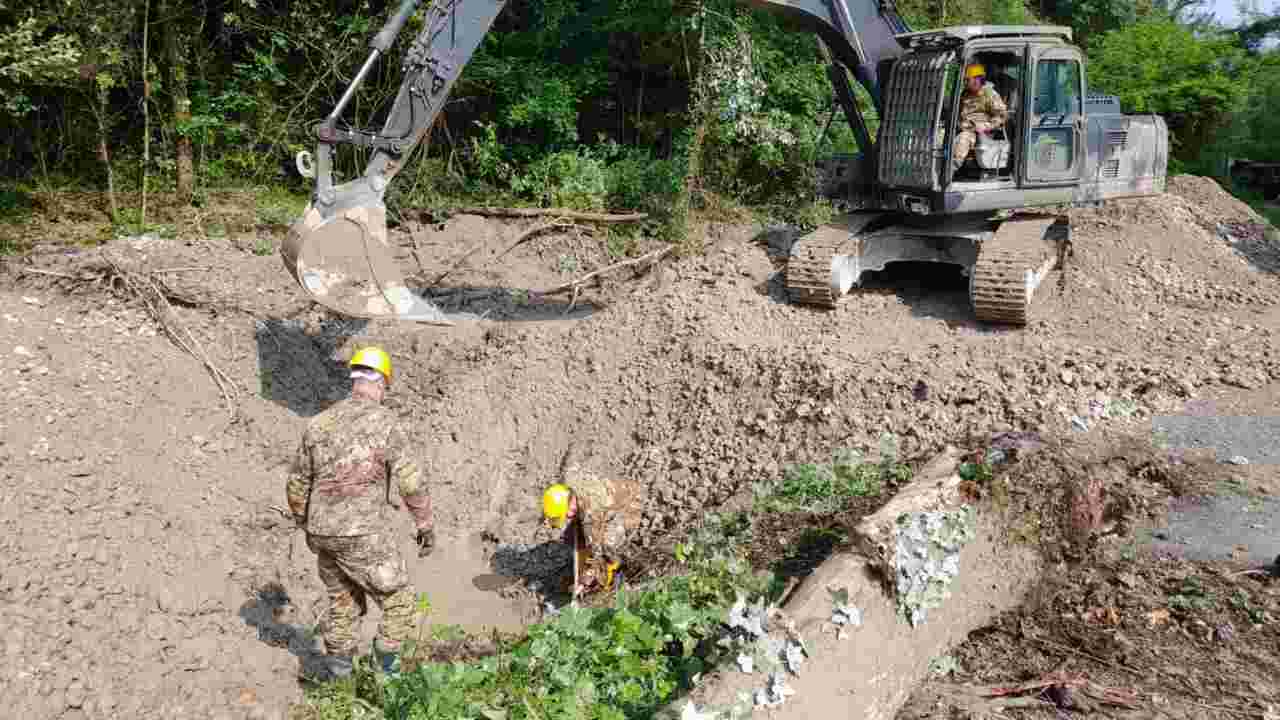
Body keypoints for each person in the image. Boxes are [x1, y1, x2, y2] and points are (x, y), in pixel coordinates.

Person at [284, 345, 435, 679]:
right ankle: (386, 674)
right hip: (362, 531)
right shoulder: (386, 422)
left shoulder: (319, 423)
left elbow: (297, 482)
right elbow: (411, 481)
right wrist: (425, 524)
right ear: (380, 381)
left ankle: (339, 681)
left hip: (322, 532)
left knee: (343, 604)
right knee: (399, 600)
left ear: (354, 378)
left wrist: (304, 524)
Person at [541, 446, 641, 600]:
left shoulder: (591, 517)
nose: (567, 516)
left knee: (608, 546)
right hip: (616, 496)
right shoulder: (569, 482)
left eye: (565, 513)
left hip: (631, 508)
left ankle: (613, 578)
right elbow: (571, 466)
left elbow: (597, 553)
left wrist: (585, 579)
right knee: (573, 532)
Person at [952, 62, 1008, 175]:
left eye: (968, 80)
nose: (965, 83)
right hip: (962, 126)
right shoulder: (965, 93)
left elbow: (1002, 115)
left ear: (977, 80)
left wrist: (986, 126)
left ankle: (950, 170)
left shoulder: (989, 94)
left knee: (963, 139)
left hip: (980, 133)